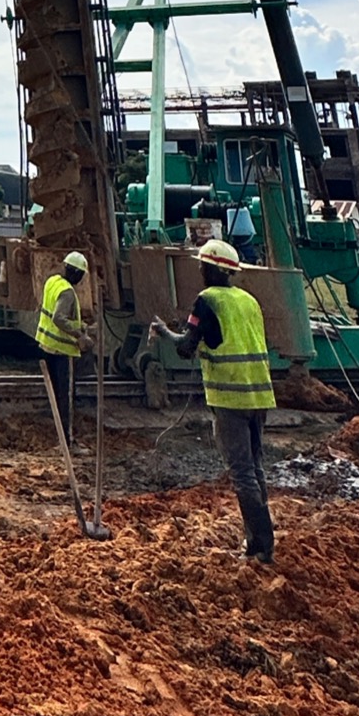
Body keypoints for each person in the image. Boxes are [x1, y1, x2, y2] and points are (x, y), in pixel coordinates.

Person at [149, 239, 277, 565]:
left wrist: (164, 332)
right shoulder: (248, 300)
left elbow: (185, 347)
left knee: (242, 472)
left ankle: (261, 548)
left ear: (208, 268)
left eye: (201, 265)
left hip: (229, 395)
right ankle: (260, 541)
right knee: (255, 467)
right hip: (259, 394)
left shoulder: (207, 301)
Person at [34, 251, 93, 452]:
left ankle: (62, 440)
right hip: (62, 350)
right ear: (77, 273)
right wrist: (80, 336)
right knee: (65, 397)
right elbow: (59, 318)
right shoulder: (67, 292)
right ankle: (67, 444)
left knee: (57, 396)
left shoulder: (53, 282)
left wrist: (80, 326)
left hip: (46, 346)